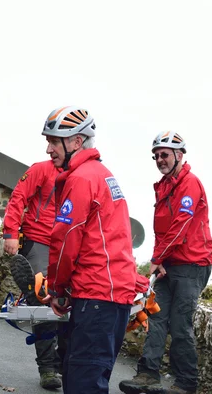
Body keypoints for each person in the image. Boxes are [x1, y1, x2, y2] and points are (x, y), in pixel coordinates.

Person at [41, 106, 139, 393]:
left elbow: (66, 241)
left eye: (53, 141)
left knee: (84, 384)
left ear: (76, 142)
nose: (48, 149)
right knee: (83, 377)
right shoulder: (101, 173)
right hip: (109, 292)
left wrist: (58, 289)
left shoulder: (81, 178)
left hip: (98, 294)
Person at [119, 131, 212, 394]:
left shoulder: (190, 184)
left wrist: (156, 258)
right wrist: (160, 260)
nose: (160, 159)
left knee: (180, 324)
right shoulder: (163, 185)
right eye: (156, 156)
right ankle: (148, 375)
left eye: (165, 155)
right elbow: (163, 230)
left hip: (192, 264)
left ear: (179, 155)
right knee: (156, 317)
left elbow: (181, 225)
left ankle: (186, 383)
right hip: (168, 264)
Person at [2, 159, 64, 389]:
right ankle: (47, 368)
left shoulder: (83, 175)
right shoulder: (41, 169)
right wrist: (10, 232)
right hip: (38, 240)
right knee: (43, 298)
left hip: (69, 247)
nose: (51, 147)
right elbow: (19, 196)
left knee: (70, 304)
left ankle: (63, 363)